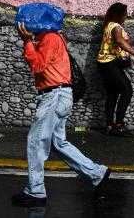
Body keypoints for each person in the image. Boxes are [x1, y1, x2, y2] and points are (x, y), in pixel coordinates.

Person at [12, 22, 112, 207]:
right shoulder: (52, 37)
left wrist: (27, 42)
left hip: (54, 96)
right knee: (58, 143)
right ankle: (96, 173)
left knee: (36, 141)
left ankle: (36, 191)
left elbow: (38, 66)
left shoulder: (49, 38)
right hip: (61, 95)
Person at [96, 2, 134, 136]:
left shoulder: (109, 25)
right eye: (125, 13)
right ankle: (119, 125)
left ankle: (110, 126)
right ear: (119, 14)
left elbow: (120, 41)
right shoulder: (115, 26)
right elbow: (120, 41)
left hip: (104, 64)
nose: (126, 15)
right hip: (110, 64)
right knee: (127, 91)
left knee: (113, 94)